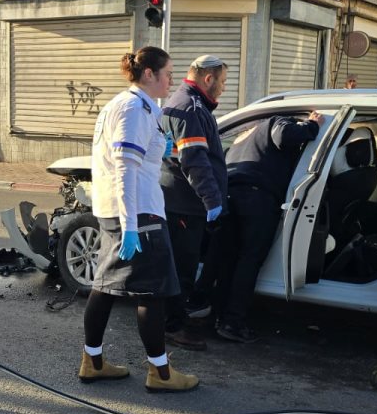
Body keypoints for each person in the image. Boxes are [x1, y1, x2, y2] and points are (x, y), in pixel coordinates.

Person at [78, 46, 198, 393]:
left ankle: (94, 362)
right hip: (137, 212)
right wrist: (132, 226)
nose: (171, 81)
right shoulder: (133, 108)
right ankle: (160, 373)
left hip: (120, 209)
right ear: (149, 74)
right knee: (152, 291)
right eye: (168, 74)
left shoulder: (129, 105)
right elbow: (124, 168)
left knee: (106, 285)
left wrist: (162, 147)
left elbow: (135, 159)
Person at [212, 111, 323, 342]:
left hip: (231, 197)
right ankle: (232, 323)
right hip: (257, 200)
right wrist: (311, 126)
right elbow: (284, 135)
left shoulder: (246, 133)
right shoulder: (277, 122)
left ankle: (218, 316)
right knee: (249, 261)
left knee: (228, 260)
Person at [159, 55, 228, 351]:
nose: (224, 88)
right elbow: (195, 160)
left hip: (183, 201)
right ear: (208, 79)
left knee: (182, 267)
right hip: (184, 204)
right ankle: (172, 328)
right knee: (182, 270)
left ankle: (176, 318)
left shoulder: (189, 103)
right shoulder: (189, 107)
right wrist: (212, 200)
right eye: (223, 82)